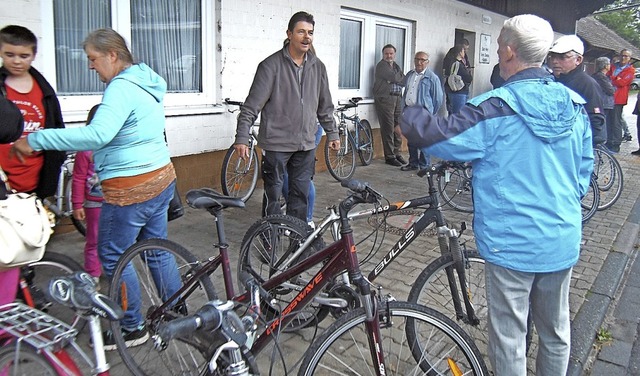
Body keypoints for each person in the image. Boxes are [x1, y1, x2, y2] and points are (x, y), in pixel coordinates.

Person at [400, 14, 593, 375]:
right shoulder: (574, 105)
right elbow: (583, 173)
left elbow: (442, 136)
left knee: (508, 337)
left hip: (512, 244)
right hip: (561, 238)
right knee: (555, 333)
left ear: (507, 50)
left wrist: (408, 117)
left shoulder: (494, 107)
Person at [11, 28, 182, 350]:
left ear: (112, 55)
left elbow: (96, 136)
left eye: (93, 59)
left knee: (115, 255)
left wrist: (37, 139)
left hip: (130, 189)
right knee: (156, 250)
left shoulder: (121, 87)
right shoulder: (146, 82)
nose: (91, 67)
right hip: (161, 179)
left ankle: (132, 327)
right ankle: (177, 311)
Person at [234, 11, 339, 223]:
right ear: (289, 34)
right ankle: (269, 242)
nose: (306, 37)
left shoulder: (318, 67)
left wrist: (333, 133)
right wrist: (242, 137)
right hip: (276, 145)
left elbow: (325, 106)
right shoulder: (270, 66)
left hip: (305, 145)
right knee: (273, 197)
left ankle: (297, 243)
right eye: (301, 32)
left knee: (300, 197)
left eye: (310, 32)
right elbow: (251, 106)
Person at [0, 25, 66, 200]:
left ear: (34, 56)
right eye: (9, 55)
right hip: (3, 179)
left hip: (36, 180)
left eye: (24, 56)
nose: (16, 61)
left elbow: (57, 131)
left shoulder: (46, 93)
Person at [548, 35, 606, 146]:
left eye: (562, 57)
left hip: (574, 144)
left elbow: (596, 120)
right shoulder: (550, 80)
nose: (555, 61)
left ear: (578, 60)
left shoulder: (588, 84)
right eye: (552, 56)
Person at [71, 105, 103, 284]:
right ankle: (92, 274)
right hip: (94, 204)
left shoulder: (118, 144)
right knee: (94, 239)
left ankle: (118, 270)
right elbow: (78, 178)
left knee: (117, 240)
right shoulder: (85, 149)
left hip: (116, 201)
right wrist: (77, 204)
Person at [400, 51, 443, 171]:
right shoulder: (410, 74)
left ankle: (424, 165)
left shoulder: (432, 77)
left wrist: (430, 113)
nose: (419, 62)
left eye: (422, 60)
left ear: (427, 62)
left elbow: (438, 98)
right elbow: (405, 91)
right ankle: (413, 163)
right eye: (417, 59)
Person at [373, 44, 406, 166]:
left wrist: (397, 78)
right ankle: (390, 156)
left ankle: (397, 153)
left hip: (397, 98)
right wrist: (396, 78)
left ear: (394, 54)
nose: (389, 56)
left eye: (391, 53)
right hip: (385, 99)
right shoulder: (381, 65)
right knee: (388, 127)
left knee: (398, 126)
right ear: (383, 54)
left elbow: (403, 80)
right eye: (386, 53)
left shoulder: (396, 66)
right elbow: (394, 77)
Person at [607, 48, 635, 152]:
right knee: (609, 120)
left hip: (619, 99)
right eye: (622, 55)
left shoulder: (630, 70)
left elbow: (622, 83)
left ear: (629, 58)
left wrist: (614, 78)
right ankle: (609, 141)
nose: (623, 58)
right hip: (609, 97)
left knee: (616, 121)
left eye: (626, 56)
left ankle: (616, 144)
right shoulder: (614, 66)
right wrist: (617, 78)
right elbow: (607, 76)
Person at [442, 44, 473, 115]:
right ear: (459, 52)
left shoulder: (449, 61)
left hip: (450, 90)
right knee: (458, 115)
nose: (464, 53)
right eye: (463, 51)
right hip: (459, 92)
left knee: (452, 114)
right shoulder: (457, 64)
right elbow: (468, 78)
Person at [591, 57, 615, 143]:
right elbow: (611, 90)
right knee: (602, 124)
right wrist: (614, 87)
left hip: (603, 103)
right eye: (609, 64)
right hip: (604, 103)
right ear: (605, 66)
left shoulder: (597, 76)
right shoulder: (601, 77)